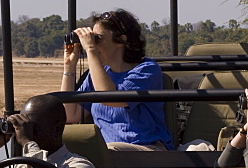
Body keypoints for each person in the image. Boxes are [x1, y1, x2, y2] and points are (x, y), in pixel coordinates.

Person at [60, 9, 174, 151]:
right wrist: (69, 67)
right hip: (108, 152)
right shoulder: (98, 74)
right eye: (92, 39)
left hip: (147, 148)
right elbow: (70, 115)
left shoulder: (147, 69)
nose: (94, 44)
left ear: (121, 40)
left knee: (107, 152)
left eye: (98, 39)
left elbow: (110, 98)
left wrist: (90, 49)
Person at [0, 94, 95, 168]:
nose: (23, 131)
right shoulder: (20, 166)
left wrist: (28, 142)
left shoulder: (78, 166)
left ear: (57, 129)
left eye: (30, 126)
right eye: (22, 125)